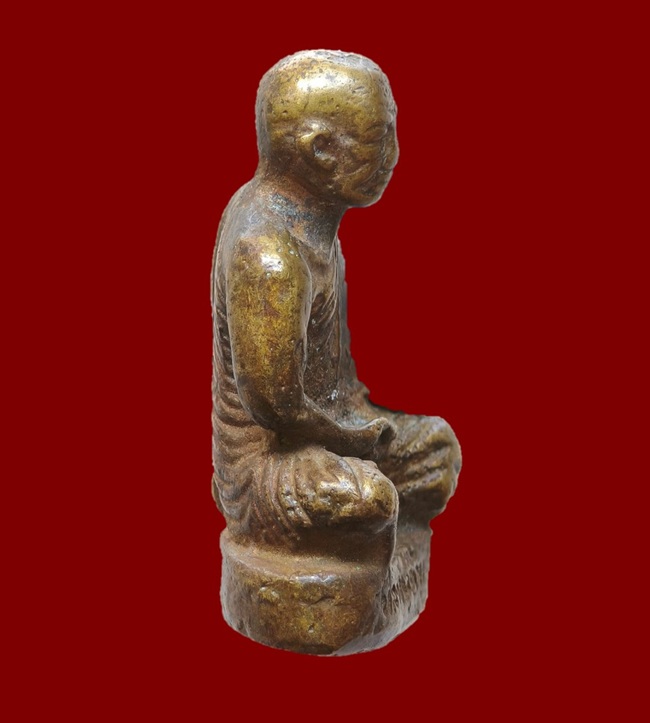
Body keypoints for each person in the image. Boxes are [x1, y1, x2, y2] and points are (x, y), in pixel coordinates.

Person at [211, 50, 461, 559]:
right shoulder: (269, 254)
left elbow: (336, 379)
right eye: (380, 139)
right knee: (372, 500)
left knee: (437, 450)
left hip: (333, 423)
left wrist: (367, 425)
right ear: (321, 150)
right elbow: (278, 408)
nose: (394, 155)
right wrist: (357, 439)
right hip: (273, 461)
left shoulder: (316, 223)